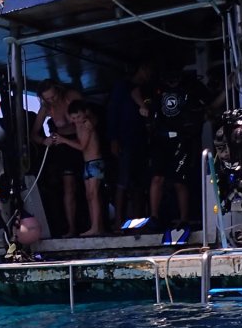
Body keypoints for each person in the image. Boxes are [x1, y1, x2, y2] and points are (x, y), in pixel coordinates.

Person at [135, 61, 215, 239]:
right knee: (157, 177)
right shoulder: (154, 86)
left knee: (180, 180)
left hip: (183, 139)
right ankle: (154, 217)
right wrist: (144, 107)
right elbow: (135, 92)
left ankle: (183, 218)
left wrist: (226, 91)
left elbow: (210, 104)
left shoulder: (192, 85)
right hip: (159, 139)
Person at [31, 79, 84, 238]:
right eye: (48, 99)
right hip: (63, 147)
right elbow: (34, 133)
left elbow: (90, 116)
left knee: (90, 186)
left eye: (54, 96)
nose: (53, 100)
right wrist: (43, 140)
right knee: (69, 188)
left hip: (82, 141)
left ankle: (95, 224)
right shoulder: (46, 108)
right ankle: (72, 228)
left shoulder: (71, 96)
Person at [106, 61, 153, 231]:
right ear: (141, 68)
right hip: (125, 140)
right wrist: (113, 139)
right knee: (122, 181)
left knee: (139, 183)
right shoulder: (123, 86)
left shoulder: (147, 89)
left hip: (141, 141)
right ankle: (119, 222)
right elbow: (113, 113)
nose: (150, 74)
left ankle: (137, 221)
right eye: (148, 69)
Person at [56, 100, 106, 236]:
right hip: (88, 163)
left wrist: (63, 140)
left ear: (84, 114)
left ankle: (96, 227)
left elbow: (82, 146)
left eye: (78, 117)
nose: (76, 120)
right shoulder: (78, 126)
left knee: (94, 195)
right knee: (89, 195)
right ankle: (95, 226)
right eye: (73, 118)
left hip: (95, 162)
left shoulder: (86, 124)